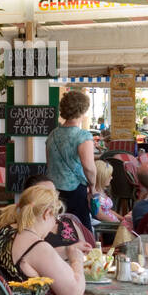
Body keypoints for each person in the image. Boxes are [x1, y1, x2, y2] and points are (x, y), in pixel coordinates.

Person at [45, 89, 96, 232]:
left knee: (58, 231)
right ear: (82, 110)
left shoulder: (52, 135)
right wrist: (93, 186)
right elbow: (89, 168)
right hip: (76, 192)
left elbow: (49, 165)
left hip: (54, 192)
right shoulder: (83, 136)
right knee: (80, 232)